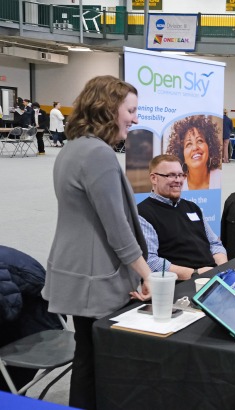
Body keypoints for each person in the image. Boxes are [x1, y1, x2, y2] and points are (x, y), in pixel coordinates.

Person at [42, 75, 152, 409]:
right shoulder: (98, 155)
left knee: (87, 357)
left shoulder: (73, 149)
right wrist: (148, 275)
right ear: (108, 107)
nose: (134, 119)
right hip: (96, 279)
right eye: (130, 110)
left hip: (76, 273)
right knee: (97, 363)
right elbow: (117, 230)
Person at [138, 155, 227, 280]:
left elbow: (214, 243)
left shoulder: (192, 207)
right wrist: (194, 274)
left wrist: (223, 269)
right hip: (182, 283)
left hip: (213, 275)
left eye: (181, 175)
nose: (178, 180)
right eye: (171, 175)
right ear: (154, 178)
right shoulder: (143, 214)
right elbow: (150, 261)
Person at [166, 115, 222, 190]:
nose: (195, 147)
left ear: (209, 146)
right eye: (189, 144)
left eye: (199, 141)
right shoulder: (175, 186)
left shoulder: (220, 179)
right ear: (182, 155)